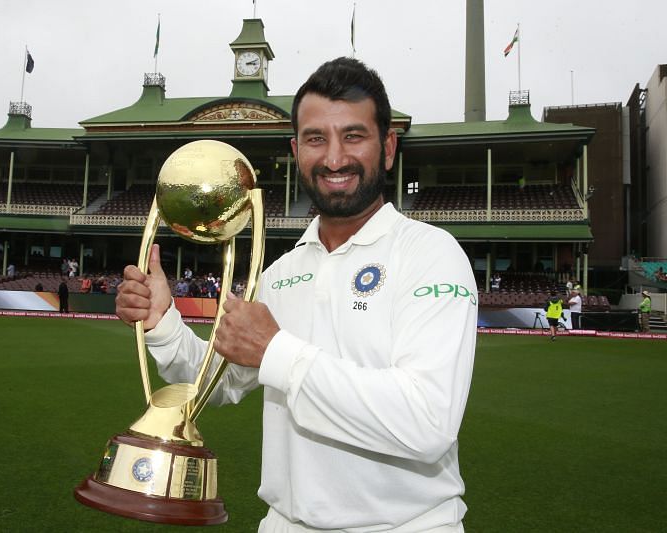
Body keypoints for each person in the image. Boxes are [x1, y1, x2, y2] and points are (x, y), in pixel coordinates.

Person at [116, 58, 478, 532]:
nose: (333, 159)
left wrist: (278, 351)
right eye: (315, 139)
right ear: (295, 150)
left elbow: (426, 423)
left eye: (353, 136)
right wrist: (163, 323)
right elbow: (222, 384)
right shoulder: (282, 273)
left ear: (387, 147)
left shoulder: (430, 254)